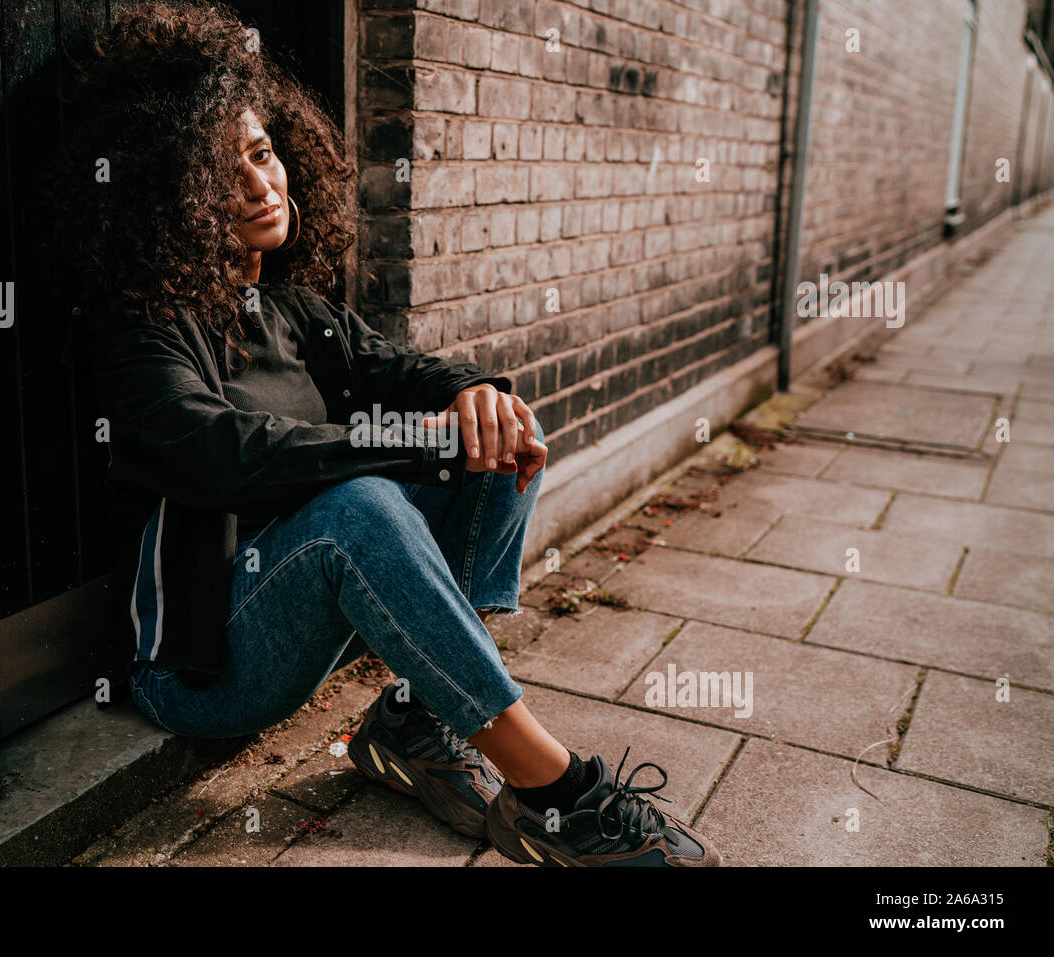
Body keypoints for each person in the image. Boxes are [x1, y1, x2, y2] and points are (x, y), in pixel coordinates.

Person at [45, 0, 721, 867]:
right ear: (165, 195)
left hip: (297, 625)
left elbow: (415, 376)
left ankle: (414, 722)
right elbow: (218, 452)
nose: (259, 185)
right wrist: (417, 440)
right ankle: (557, 798)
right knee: (359, 504)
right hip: (201, 665)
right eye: (220, 173)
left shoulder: (300, 312)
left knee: (500, 437)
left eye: (262, 153)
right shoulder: (146, 327)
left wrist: (476, 396)